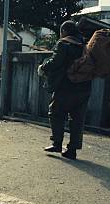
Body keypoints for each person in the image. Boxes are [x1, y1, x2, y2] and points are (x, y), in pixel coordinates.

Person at [38, 20, 92, 160]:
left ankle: (57, 143)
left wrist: (43, 67)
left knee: (56, 113)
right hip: (84, 88)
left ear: (64, 31)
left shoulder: (64, 44)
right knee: (77, 119)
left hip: (66, 87)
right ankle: (72, 150)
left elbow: (56, 61)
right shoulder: (86, 45)